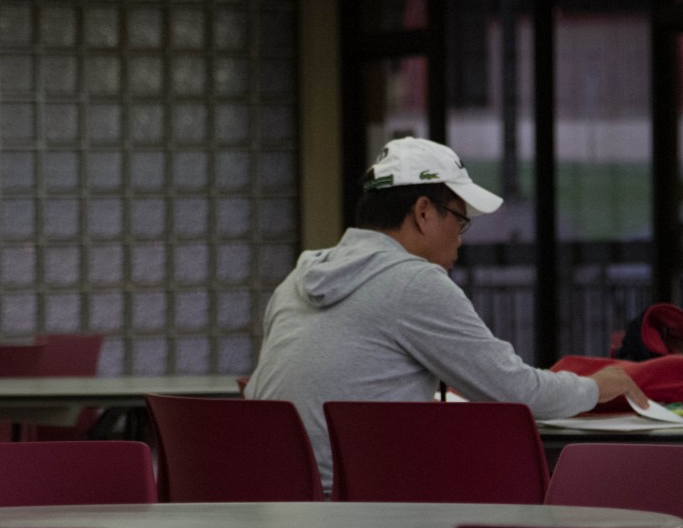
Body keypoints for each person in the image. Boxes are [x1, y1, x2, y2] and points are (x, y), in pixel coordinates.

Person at [245, 137, 648, 492]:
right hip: (361, 515)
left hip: (272, 504)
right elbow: (512, 391)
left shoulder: (299, 277)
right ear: (423, 212)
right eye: (459, 218)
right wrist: (595, 387)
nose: (461, 236)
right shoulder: (414, 282)